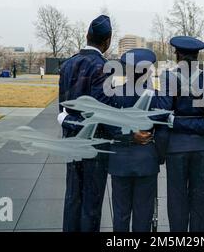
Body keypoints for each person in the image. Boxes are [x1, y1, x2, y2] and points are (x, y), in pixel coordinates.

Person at [57, 15, 151, 232]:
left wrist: (68, 123)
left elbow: (62, 110)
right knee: (91, 203)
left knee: (72, 198)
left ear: (87, 36)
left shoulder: (68, 64)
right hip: (95, 144)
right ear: (107, 41)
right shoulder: (103, 67)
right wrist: (130, 135)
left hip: (71, 141)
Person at [158, 36, 204, 232]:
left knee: (176, 200)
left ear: (177, 55)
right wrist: (195, 124)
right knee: (199, 199)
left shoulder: (168, 77)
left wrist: (176, 121)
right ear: (197, 56)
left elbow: (166, 114)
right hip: (201, 147)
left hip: (176, 147)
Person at [108, 48, 162, 232]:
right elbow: (162, 131)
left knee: (121, 215)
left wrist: (129, 135)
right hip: (146, 160)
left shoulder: (114, 94)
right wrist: (159, 157)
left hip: (120, 160)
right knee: (143, 215)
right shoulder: (156, 97)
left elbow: (109, 126)